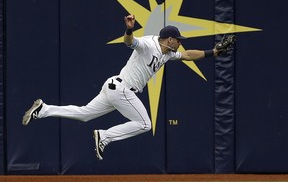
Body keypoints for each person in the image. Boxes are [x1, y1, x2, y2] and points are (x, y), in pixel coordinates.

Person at [22, 14, 221, 160]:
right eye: (178, 40)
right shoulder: (148, 44)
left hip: (113, 87)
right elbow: (129, 42)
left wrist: (213, 52)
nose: (180, 43)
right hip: (123, 90)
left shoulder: (167, 53)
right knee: (145, 124)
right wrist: (128, 29)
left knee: (84, 114)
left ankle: (44, 109)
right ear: (169, 39)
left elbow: (187, 55)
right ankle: (105, 136)